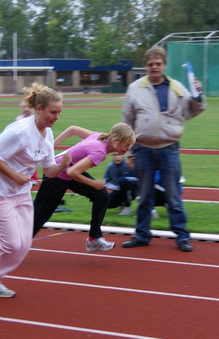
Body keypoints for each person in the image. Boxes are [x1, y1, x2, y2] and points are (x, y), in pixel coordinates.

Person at [0, 82, 70, 298]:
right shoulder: (20, 131)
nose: (56, 117)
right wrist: (15, 176)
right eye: (52, 112)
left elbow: (49, 170)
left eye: (59, 112)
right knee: (11, 243)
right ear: (39, 109)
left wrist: (62, 167)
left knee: (23, 245)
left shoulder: (48, 135)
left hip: (21, 193)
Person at [121, 45, 205, 252]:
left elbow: (191, 112)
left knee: (174, 196)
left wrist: (198, 96)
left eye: (158, 64)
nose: (154, 67)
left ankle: (182, 237)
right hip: (143, 149)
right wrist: (129, 152)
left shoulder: (177, 87)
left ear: (165, 65)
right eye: (150, 64)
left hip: (169, 148)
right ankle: (141, 235)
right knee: (144, 197)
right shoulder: (135, 88)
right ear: (146, 66)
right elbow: (127, 120)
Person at [33, 123, 136, 252]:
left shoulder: (99, 136)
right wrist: (94, 183)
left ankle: (94, 239)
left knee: (101, 195)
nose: (128, 148)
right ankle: (13, 243)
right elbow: (72, 172)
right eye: (127, 144)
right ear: (115, 141)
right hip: (57, 175)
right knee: (40, 215)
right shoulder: (100, 152)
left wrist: (53, 144)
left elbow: (73, 129)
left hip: (67, 171)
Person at [15, 101, 39, 185]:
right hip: (22, 143)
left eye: (28, 107)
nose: (26, 109)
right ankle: (22, 176)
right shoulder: (19, 118)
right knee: (21, 160)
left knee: (33, 160)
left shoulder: (34, 118)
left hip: (32, 142)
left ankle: (33, 178)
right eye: (24, 107)